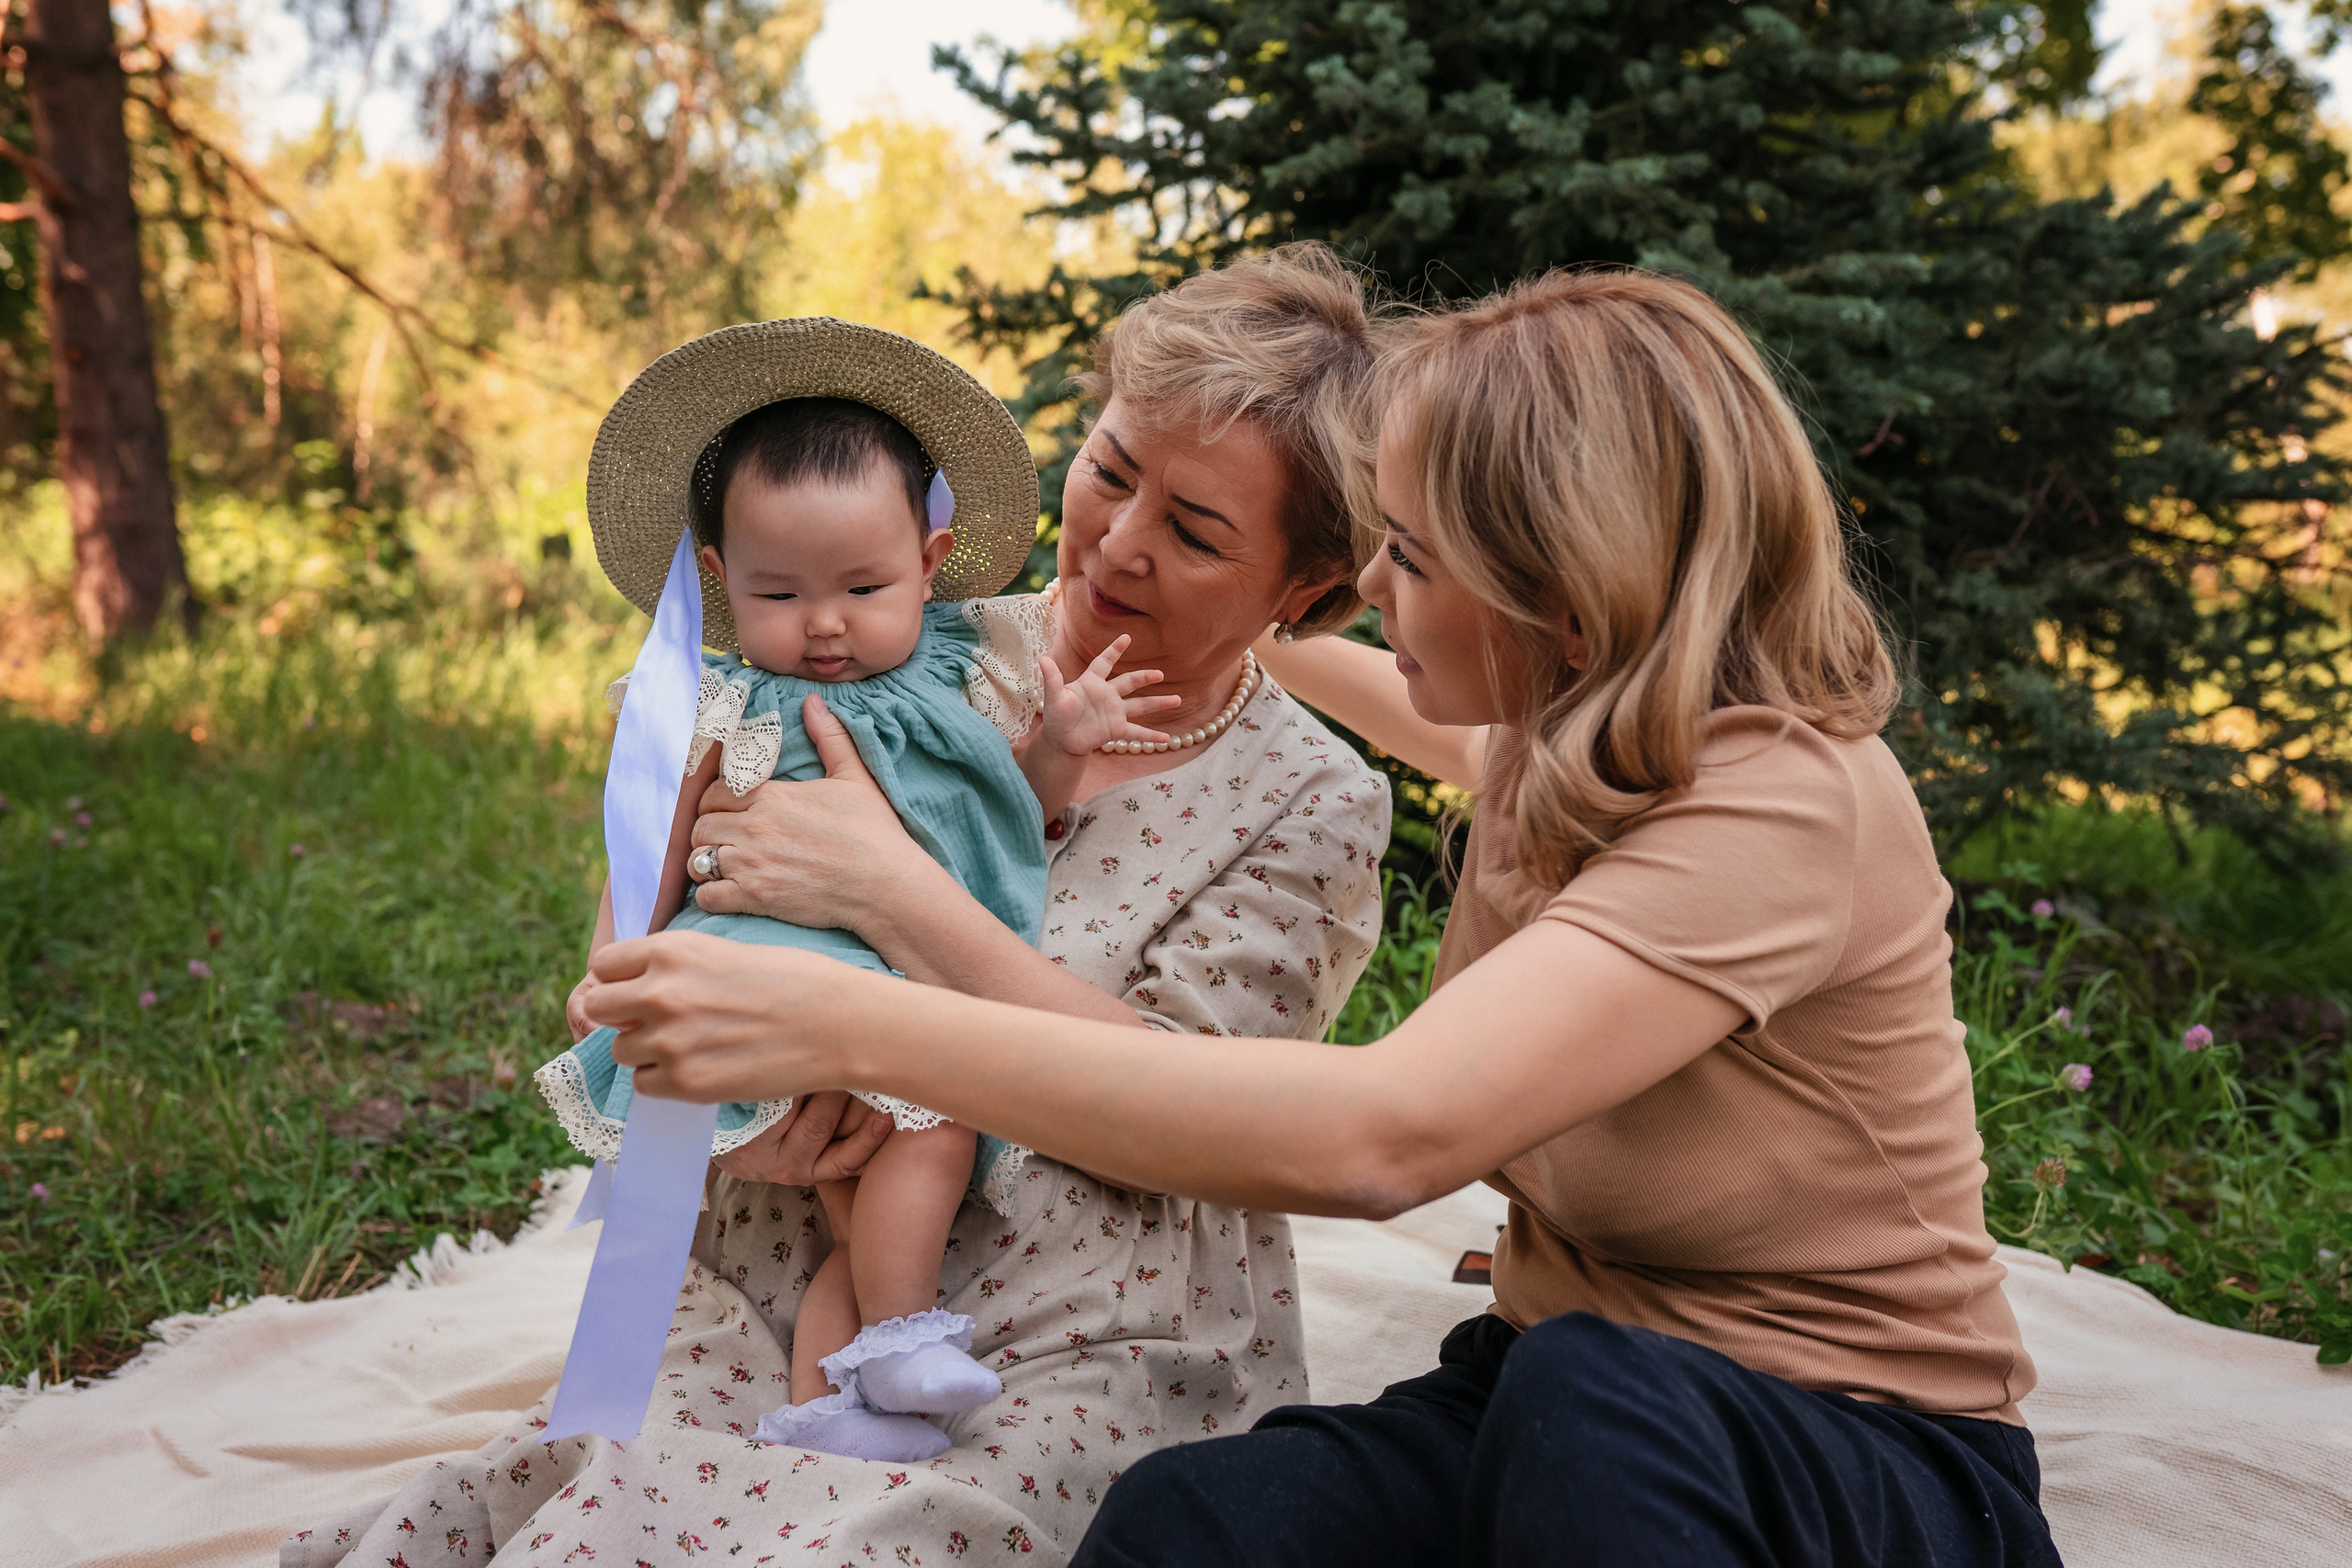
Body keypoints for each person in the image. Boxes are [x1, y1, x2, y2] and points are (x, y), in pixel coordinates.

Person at [586, 269, 2065, 1567]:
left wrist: (859, 1000)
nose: (1366, 589)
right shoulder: (1564, 744)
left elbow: (1382, 1139)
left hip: (1859, 1440)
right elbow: (1309, 661)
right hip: (1551, 1383)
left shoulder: (1781, 802)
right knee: (1197, 1520)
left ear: (1565, 589)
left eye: (1409, 558)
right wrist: (1166, 604)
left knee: (1590, 1407)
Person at [286, 243, 1394, 1566]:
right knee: (593, 1515)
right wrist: (696, 1094)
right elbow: (649, 910)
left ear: (1305, 594)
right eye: (1110, 469)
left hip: (1094, 1303)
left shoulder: (1309, 801)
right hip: (773, 1240)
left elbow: (1208, 1115)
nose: (1120, 539)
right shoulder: (902, 632)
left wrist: (891, 892)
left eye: (1198, 530)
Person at [538, 340, 1180, 1462]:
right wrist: (613, 971)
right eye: (778, 593)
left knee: (901, 1162)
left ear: (929, 565)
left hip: (892, 993)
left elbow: (990, 816)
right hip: (759, 986)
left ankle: (843, 1396)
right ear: (717, 573)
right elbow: (651, 840)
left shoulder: (961, 679)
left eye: (863, 588)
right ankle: (893, 1335)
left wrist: (1060, 755)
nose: (823, 624)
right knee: (921, 1131)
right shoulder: (731, 703)